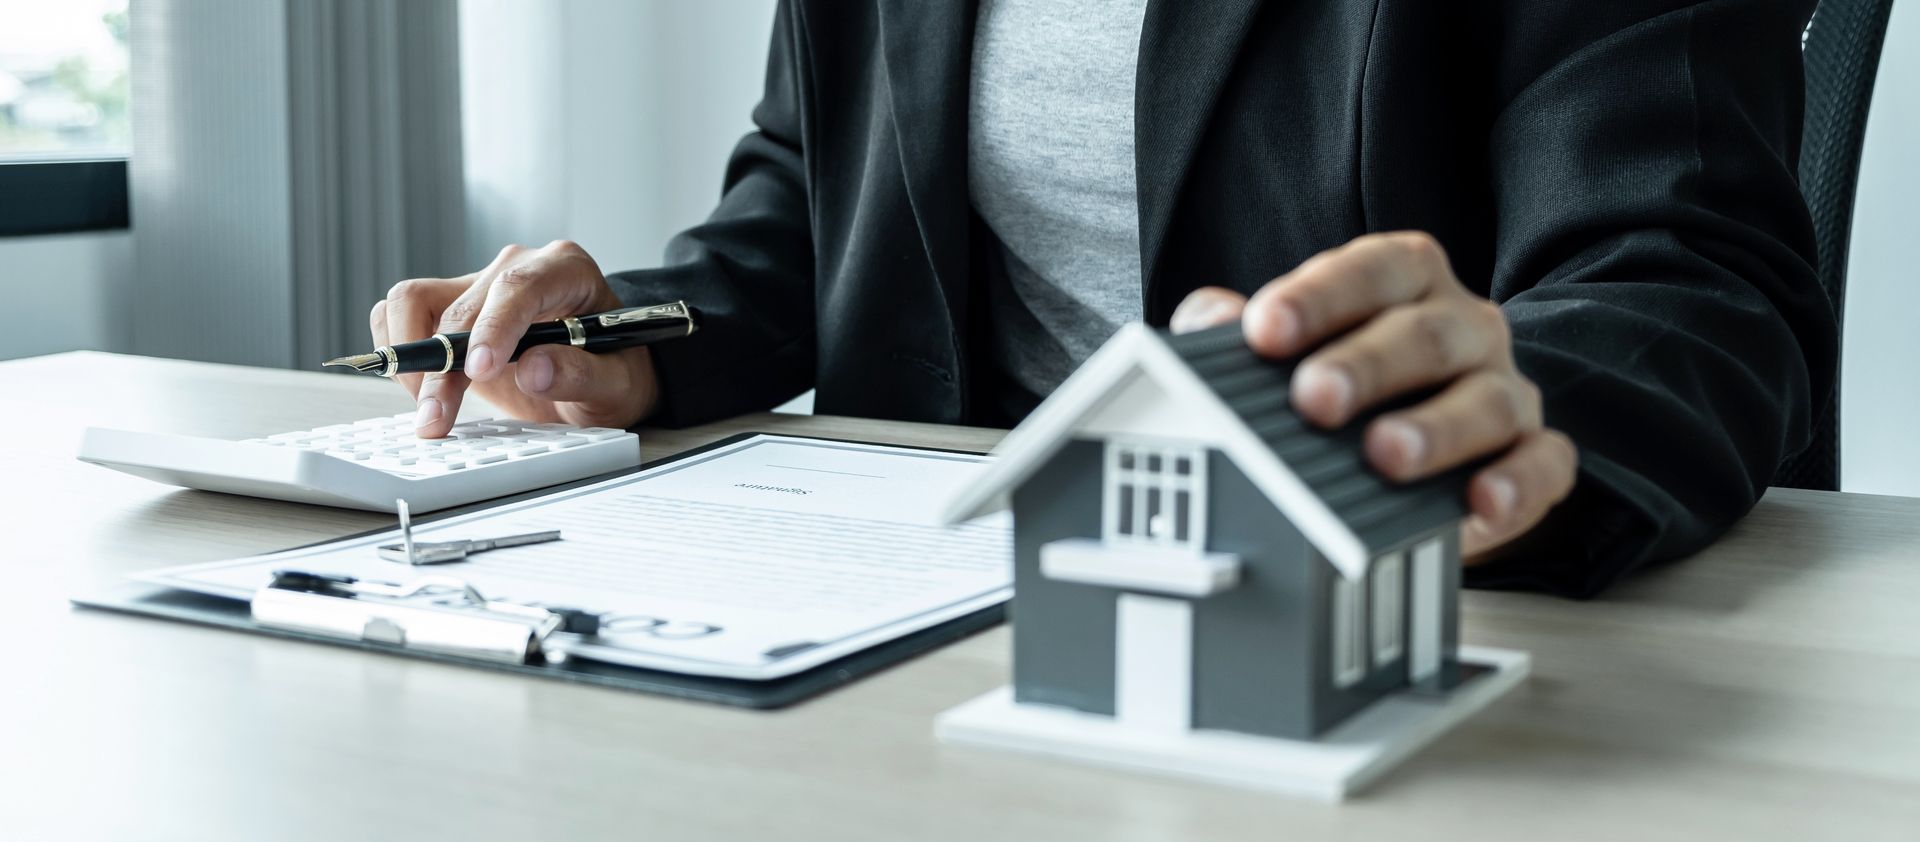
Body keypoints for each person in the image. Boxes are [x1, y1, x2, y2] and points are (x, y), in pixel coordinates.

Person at [368, 0, 1831, 597]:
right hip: (926, 608)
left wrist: (1490, 424)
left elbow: (1690, 280)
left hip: (1394, 625)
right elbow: (813, 201)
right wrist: (630, 338)